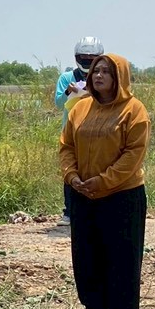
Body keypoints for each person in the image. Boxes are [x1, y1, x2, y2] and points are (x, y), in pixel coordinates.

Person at [59, 53, 150, 309]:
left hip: (122, 194)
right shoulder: (80, 108)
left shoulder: (134, 111)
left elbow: (132, 155)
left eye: (106, 72)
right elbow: (67, 146)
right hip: (82, 193)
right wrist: (72, 177)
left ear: (119, 78)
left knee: (122, 254)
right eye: (96, 71)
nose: (98, 76)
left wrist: (102, 181)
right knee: (86, 253)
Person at [54, 37, 104, 226]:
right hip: (72, 132)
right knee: (70, 170)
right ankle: (68, 212)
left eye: (92, 58)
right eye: (84, 58)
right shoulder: (67, 78)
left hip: (98, 131)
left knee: (95, 169)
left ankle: (94, 209)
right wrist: (68, 91)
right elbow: (59, 103)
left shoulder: (102, 77)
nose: (88, 62)